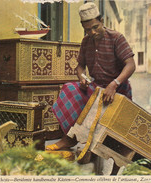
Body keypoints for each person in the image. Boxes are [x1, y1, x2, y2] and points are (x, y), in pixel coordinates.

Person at [46, 2, 136, 151]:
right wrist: (82, 77)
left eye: (95, 27)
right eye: (88, 30)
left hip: (118, 89)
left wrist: (114, 84)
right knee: (69, 89)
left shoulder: (116, 38)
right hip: (96, 88)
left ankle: (91, 147)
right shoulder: (86, 41)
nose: (93, 32)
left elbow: (131, 65)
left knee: (109, 126)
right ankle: (70, 137)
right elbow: (80, 66)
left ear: (101, 22)